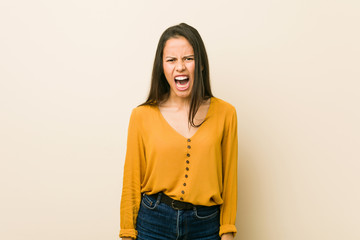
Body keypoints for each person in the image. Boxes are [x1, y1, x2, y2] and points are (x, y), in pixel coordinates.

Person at [119, 23, 238, 240]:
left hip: (206, 225)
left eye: (188, 58)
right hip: (153, 223)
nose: (180, 67)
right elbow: (131, 181)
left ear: (200, 65)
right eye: (171, 60)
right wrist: (127, 233)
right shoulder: (142, 115)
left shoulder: (226, 114)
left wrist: (227, 231)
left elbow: (230, 179)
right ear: (162, 67)